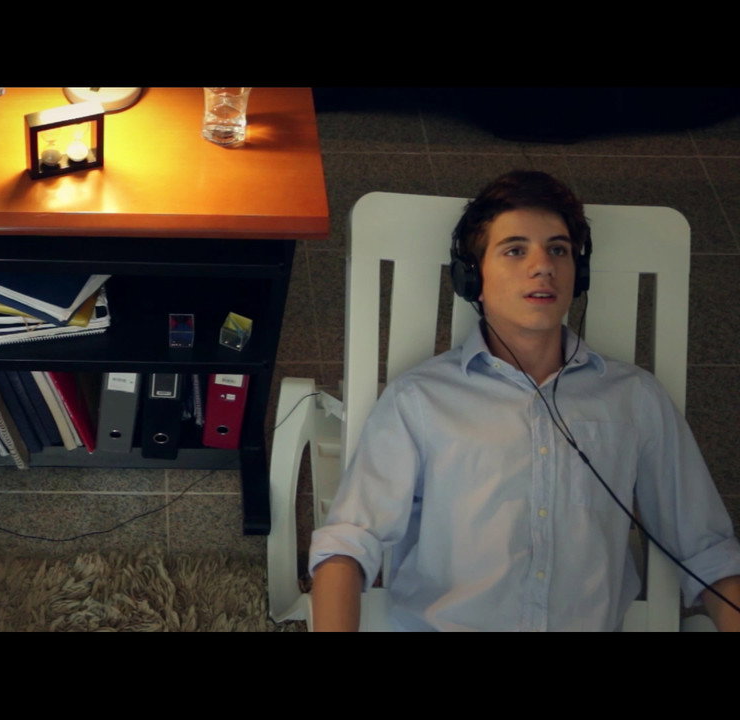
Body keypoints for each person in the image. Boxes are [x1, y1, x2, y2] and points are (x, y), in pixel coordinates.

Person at [308, 171, 740, 631]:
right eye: (515, 250)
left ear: (578, 273)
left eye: (559, 250)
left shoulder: (635, 398)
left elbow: (707, 551)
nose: (543, 266)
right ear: (472, 278)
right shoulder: (419, 399)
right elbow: (348, 545)